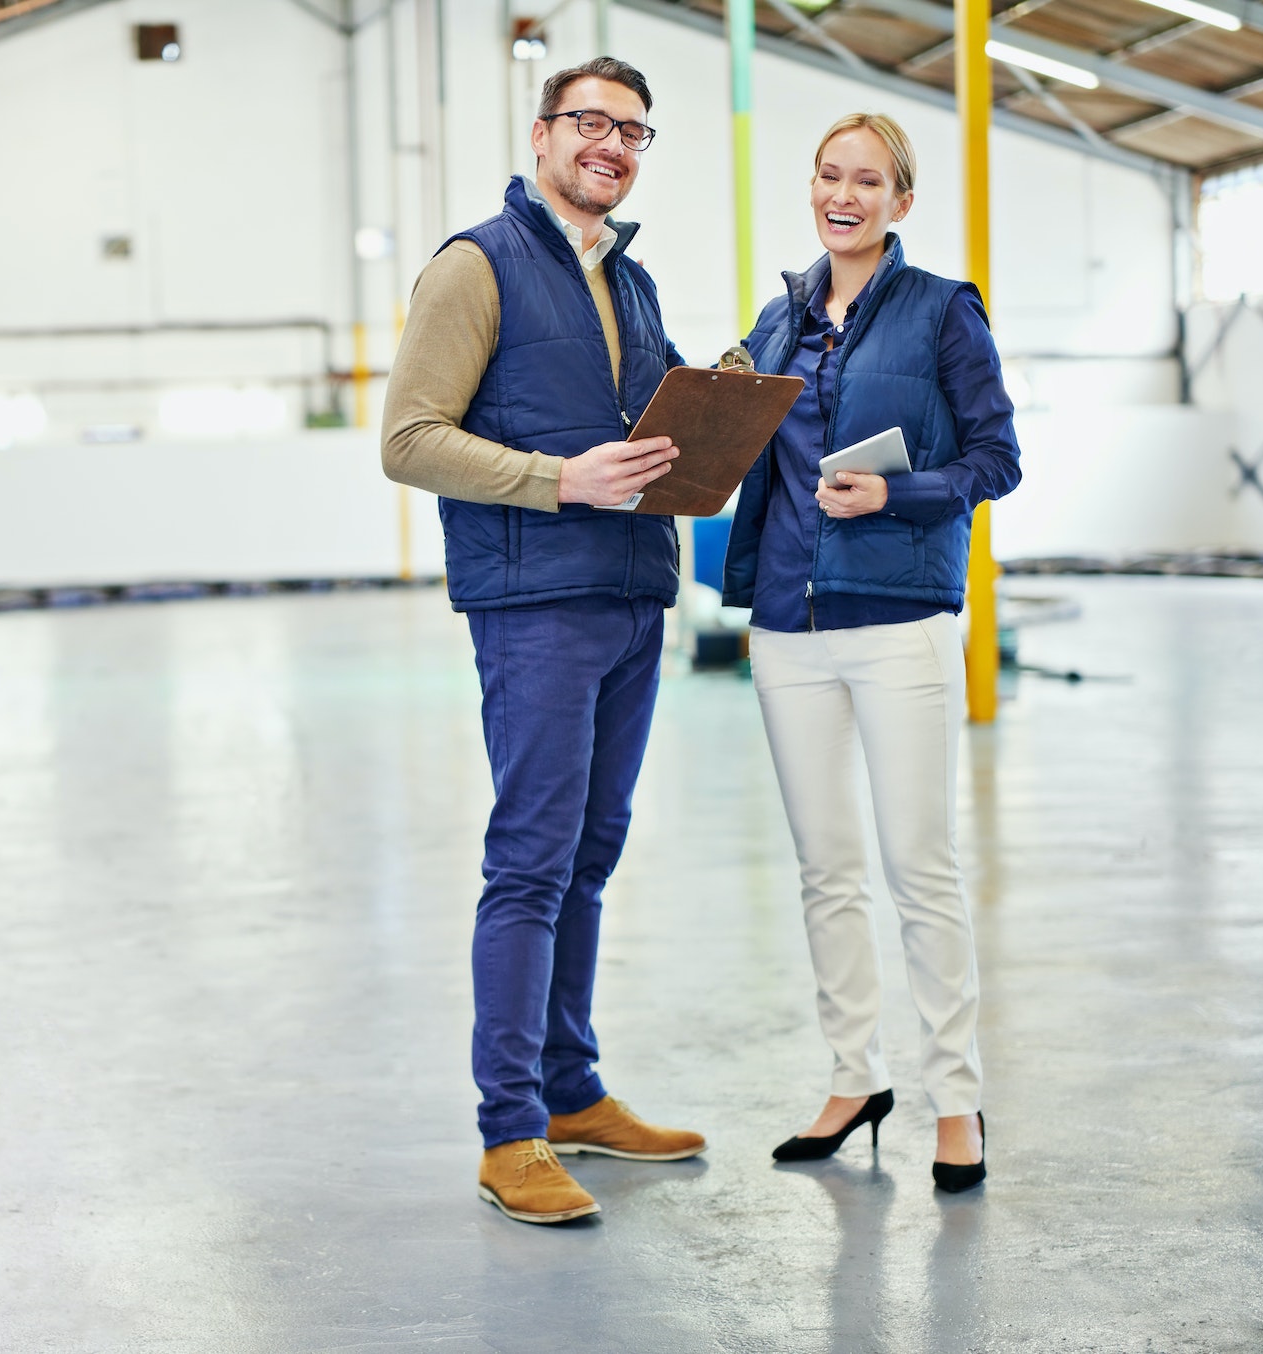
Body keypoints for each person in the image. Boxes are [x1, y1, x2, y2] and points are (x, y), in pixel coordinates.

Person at [381, 57, 708, 1227]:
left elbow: (632, 429)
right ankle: (507, 1129)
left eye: (632, 129)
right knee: (528, 862)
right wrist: (559, 479)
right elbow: (409, 439)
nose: (610, 144)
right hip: (534, 607)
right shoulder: (474, 266)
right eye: (589, 123)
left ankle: (570, 1093)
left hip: (629, 594)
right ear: (540, 134)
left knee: (589, 855)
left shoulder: (632, 276)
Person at [723, 112, 1021, 1193]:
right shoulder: (776, 318)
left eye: (866, 179)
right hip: (785, 628)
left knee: (918, 868)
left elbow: (997, 457)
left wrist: (894, 491)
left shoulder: (942, 311)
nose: (840, 194)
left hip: (896, 623)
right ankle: (853, 1077)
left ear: (901, 200)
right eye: (826, 175)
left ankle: (954, 1095)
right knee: (824, 872)